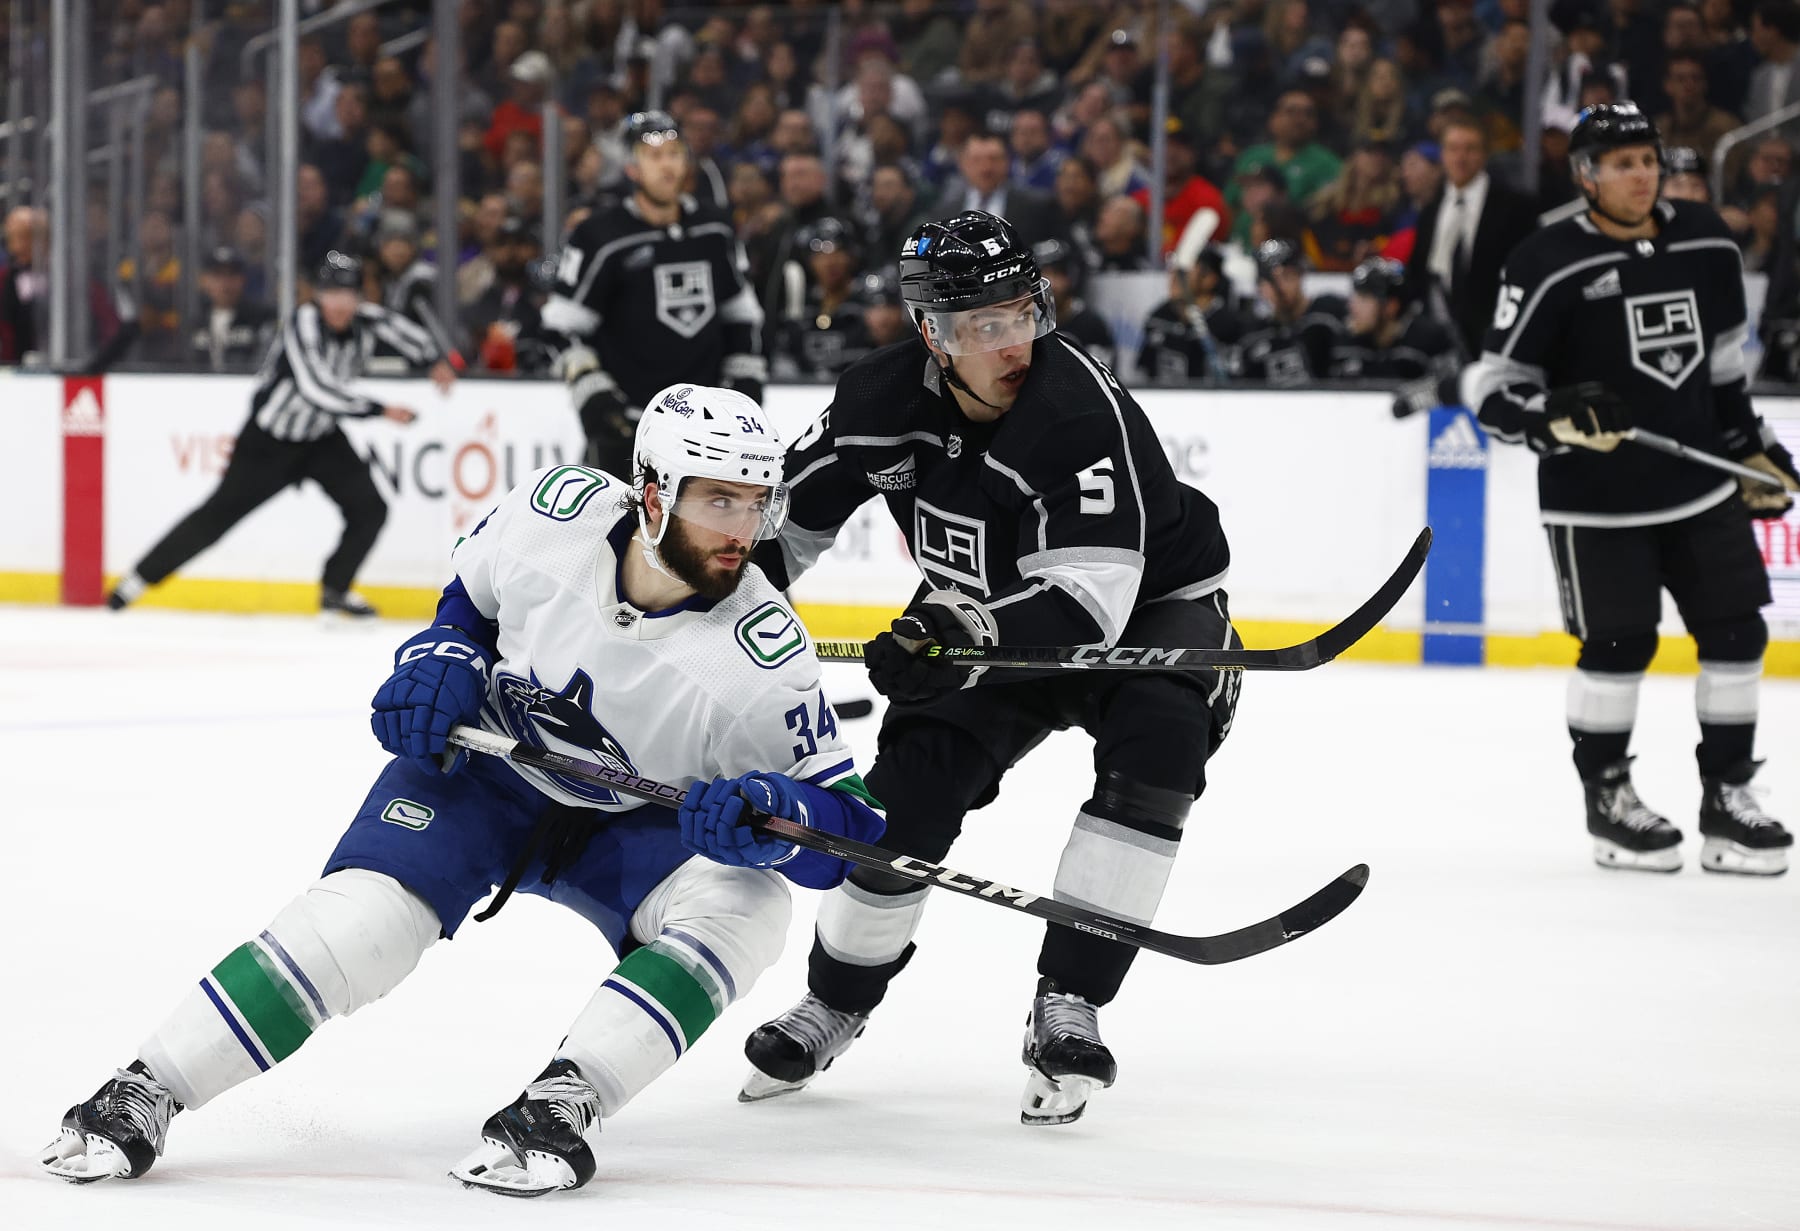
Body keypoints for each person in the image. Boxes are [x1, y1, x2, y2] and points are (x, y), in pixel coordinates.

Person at [42, 385, 885, 1194]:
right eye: (719, 500)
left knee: (747, 903)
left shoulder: (762, 654)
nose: (743, 530)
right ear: (654, 493)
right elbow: (469, 604)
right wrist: (441, 655)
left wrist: (778, 820)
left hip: (631, 821)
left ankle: (566, 1099)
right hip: (485, 774)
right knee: (361, 923)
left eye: (758, 503)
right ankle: (146, 1086)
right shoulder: (555, 514)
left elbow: (852, 828)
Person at [738, 211, 1241, 1127]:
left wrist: (949, 635)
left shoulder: (1077, 411)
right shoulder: (875, 401)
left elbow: (1087, 605)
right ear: (932, 333)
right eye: (985, 326)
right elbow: (781, 528)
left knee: (1160, 745)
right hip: (982, 610)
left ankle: (1071, 1000)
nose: (1015, 344)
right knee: (907, 794)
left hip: (1143, 607)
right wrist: (714, 610)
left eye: (1025, 314)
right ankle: (836, 999)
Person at [1461, 102, 1799, 876]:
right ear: (1586, 175)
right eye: (1622, 164)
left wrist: (1752, 448)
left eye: (1649, 159)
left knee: (1738, 633)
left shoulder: (1705, 238)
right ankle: (1609, 798)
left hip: (1701, 482)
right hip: (1596, 501)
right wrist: (1553, 416)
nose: (1642, 175)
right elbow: (1491, 385)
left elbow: (1722, 368)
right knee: (1618, 647)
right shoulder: (1545, 258)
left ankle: (1728, 797)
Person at [106, 252, 449, 618]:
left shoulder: (368, 319)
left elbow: (408, 335)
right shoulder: (303, 322)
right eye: (331, 295)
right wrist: (379, 409)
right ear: (318, 295)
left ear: (358, 298)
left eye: (348, 296)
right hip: (269, 443)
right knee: (216, 517)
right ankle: (136, 581)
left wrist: (435, 360)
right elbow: (316, 387)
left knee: (370, 508)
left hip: (320, 438)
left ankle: (335, 590)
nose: (339, 305)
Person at [542, 110, 767, 478]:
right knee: (621, 518)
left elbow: (741, 316)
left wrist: (744, 380)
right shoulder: (600, 236)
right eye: (654, 156)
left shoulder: (714, 229)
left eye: (674, 154)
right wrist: (593, 393)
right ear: (632, 168)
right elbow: (561, 326)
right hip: (629, 425)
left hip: (707, 429)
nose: (667, 166)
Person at [1401, 119, 1537, 358]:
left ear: (1485, 154)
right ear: (1443, 155)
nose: (1460, 158)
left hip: (1495, 334)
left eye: (1470, 149)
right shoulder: (1430, 209)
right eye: (1453, 149)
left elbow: (1526, 269)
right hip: (1439, 339)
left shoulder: (1516, 207)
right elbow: (1419, 272)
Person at [1332, 255, 1460, 382]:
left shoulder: (1429, 343)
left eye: (1364, 298)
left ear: (1391, 306)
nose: (1352, 307)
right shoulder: (1346, 340)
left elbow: (1450, 388)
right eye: (1355, 297)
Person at [1238, 238, 1346, 386]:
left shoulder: (1329, 315)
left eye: (1287, 276)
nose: (1280, 287)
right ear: (1261, 288)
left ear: (1300, 275)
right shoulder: (1255, 336)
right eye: (1272, 281)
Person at [1137, 246, 1248, 384]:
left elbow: (1234, 381)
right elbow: (1143, 373)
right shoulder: (1159, 317)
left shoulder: (1228, 325)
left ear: (1209, 279)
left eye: (1184, 271)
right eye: (1173, 270)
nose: (1174, 277)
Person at [1033, 235, 1115, 370]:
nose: (1051, 283)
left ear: (1071, 277)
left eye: (1058, 273)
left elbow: (1101, 373)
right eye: (1043, 275)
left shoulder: (1091, 325)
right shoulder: (1027, 324)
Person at [188, 247, 276, 372]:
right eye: (217, 275)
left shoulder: (261, 319)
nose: (225, 283)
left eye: (232, 275)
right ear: (204, 280)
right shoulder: (195, 322)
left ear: (243, 279)